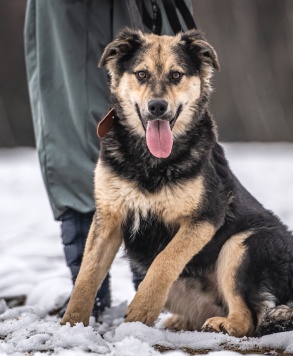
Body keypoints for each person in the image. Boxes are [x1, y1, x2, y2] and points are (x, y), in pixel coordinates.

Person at [24, 0, 195, 318]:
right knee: (69, 135)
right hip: (66, 13)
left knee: (168, 118)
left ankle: (160, 295)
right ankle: (87, 294)